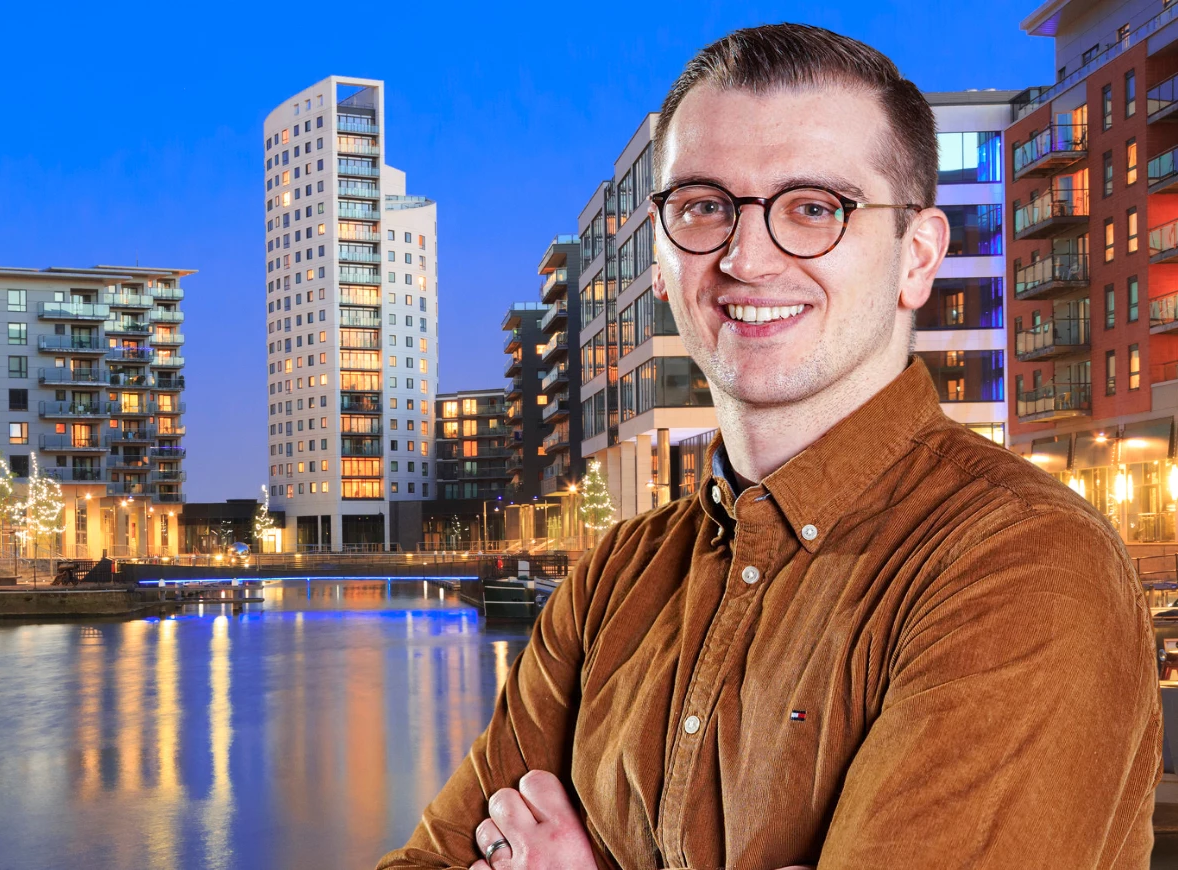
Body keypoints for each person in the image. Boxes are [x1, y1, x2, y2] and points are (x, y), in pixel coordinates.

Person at [379, 23, 1161, 870]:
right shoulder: (616, 577)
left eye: (815, 208)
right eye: (705, 207)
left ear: (918, 257)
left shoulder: (1023, 568)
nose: (746, 257)